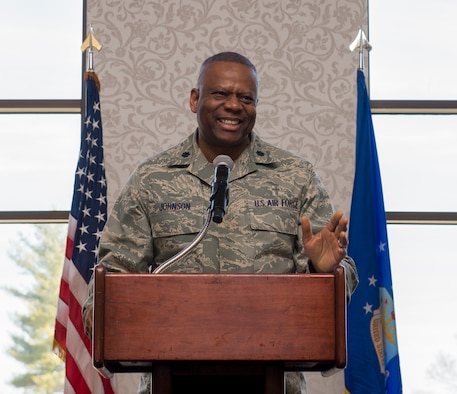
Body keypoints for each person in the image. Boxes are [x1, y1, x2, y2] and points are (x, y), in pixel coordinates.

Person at [83, 51, 359, 394]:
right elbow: (109, 282)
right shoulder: (152, 179)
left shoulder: (296, 177)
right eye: (220, 94)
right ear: (194, 99)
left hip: (274, 382)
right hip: (172, 380)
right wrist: (109, 315)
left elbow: (339, 277)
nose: (234, 105)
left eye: (246, 98)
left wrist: (326, 274)